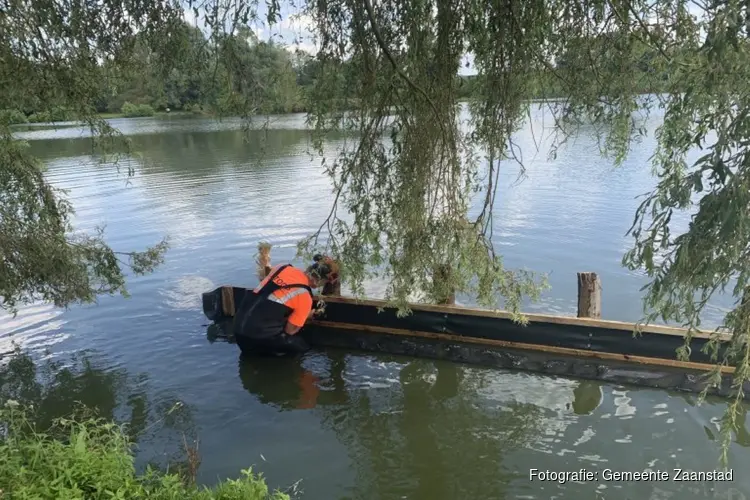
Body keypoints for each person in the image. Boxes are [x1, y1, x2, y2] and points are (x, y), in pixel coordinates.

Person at [232, 254, 337, 356]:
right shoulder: (304, 296)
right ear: (319, 280)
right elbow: (290, 331)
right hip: (259, 337)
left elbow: (274, 298)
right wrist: (306, 316)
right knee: (301, 346)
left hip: (238, 330)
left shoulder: (282, 267)